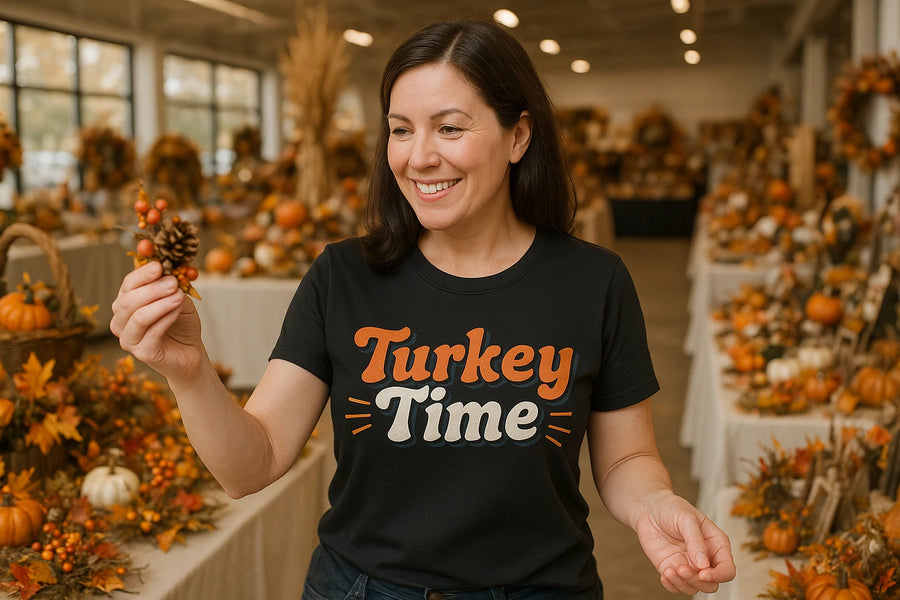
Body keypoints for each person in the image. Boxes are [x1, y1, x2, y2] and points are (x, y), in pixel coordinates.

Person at [111, 19, 735, 599]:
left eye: (451, 128)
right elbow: (255, 462)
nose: (418, 157)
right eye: (401, 129)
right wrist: (189, 372)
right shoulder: (344, 276)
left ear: (519, 135)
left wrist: (654, 501)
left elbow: (626, 457)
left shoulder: (593, 281)